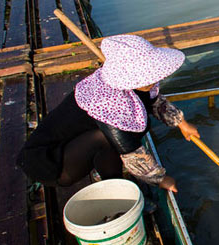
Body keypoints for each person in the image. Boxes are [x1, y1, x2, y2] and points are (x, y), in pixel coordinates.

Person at [17, 35, 198, 193]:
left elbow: (153, 101)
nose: (153, 80)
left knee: (109, 138)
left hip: (75, 146)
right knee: (106, 138)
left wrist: (181, 123)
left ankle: (99, 165)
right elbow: (131, 151)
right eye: (147, 77)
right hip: (52, 163)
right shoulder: (108, 103)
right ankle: (116, 187)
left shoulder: (133, 84)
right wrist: (160, 179)